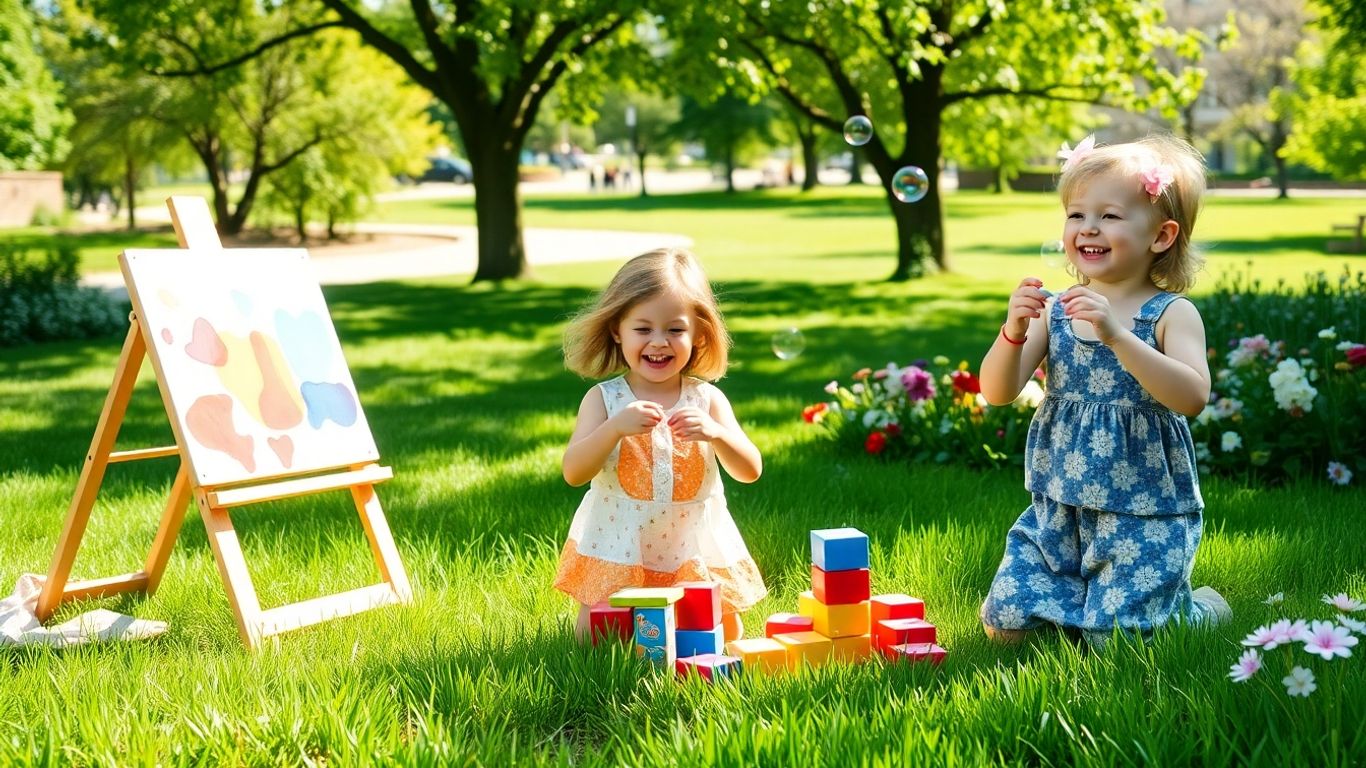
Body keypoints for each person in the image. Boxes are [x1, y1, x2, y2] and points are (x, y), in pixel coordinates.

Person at [977, 133, 1230, 647]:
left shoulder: (1171, 314)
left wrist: (1118, 336)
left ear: (1161, 236)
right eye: (1076, 214)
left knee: (1117, 643)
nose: (1089, 227)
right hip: (1060, 508)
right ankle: (1082, 606)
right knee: (1005, 627)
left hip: (1143, 511)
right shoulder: (1058, 310)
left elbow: (1191, 396)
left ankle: (1199, 610)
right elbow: (997, 391)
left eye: (1110, 216)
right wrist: (1013, 331)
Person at [553, 248, 767, 643]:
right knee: (594, 636)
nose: (659, 342)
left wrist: (717, 434)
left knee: (725, 634)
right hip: (622, 539)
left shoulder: (708, 400)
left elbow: (750, 470)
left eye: (675, 329)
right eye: (643, 329)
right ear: (617, 330)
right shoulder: (604, 400)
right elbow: (574, 472)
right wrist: (614, 428)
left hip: (691, 539)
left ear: (699, 334)